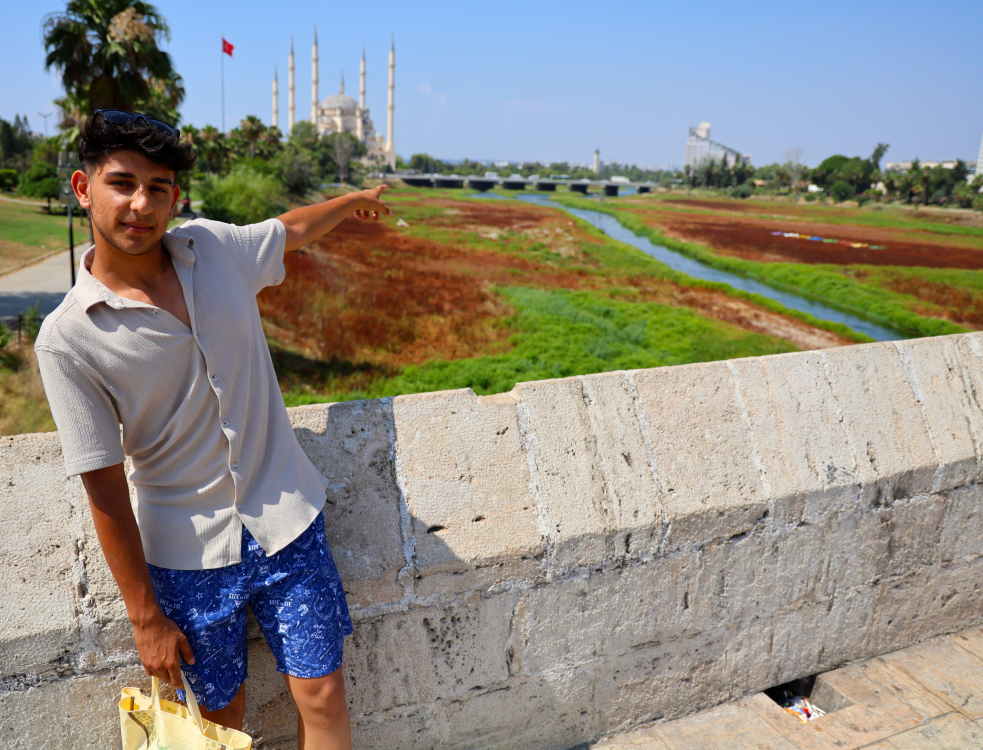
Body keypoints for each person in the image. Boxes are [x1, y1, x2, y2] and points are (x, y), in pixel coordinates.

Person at [34, 110, 391, 750]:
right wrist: (145, 617)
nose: (141, 204)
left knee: (324, 692)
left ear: (175, 197)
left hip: (286, 521)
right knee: (219, 725)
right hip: (186, 555)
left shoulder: (214, 250)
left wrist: (351, 202)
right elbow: (104, 484)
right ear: (84, 189)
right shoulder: (68, 339)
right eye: (123, 183)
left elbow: (289, 230)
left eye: (158, 187)